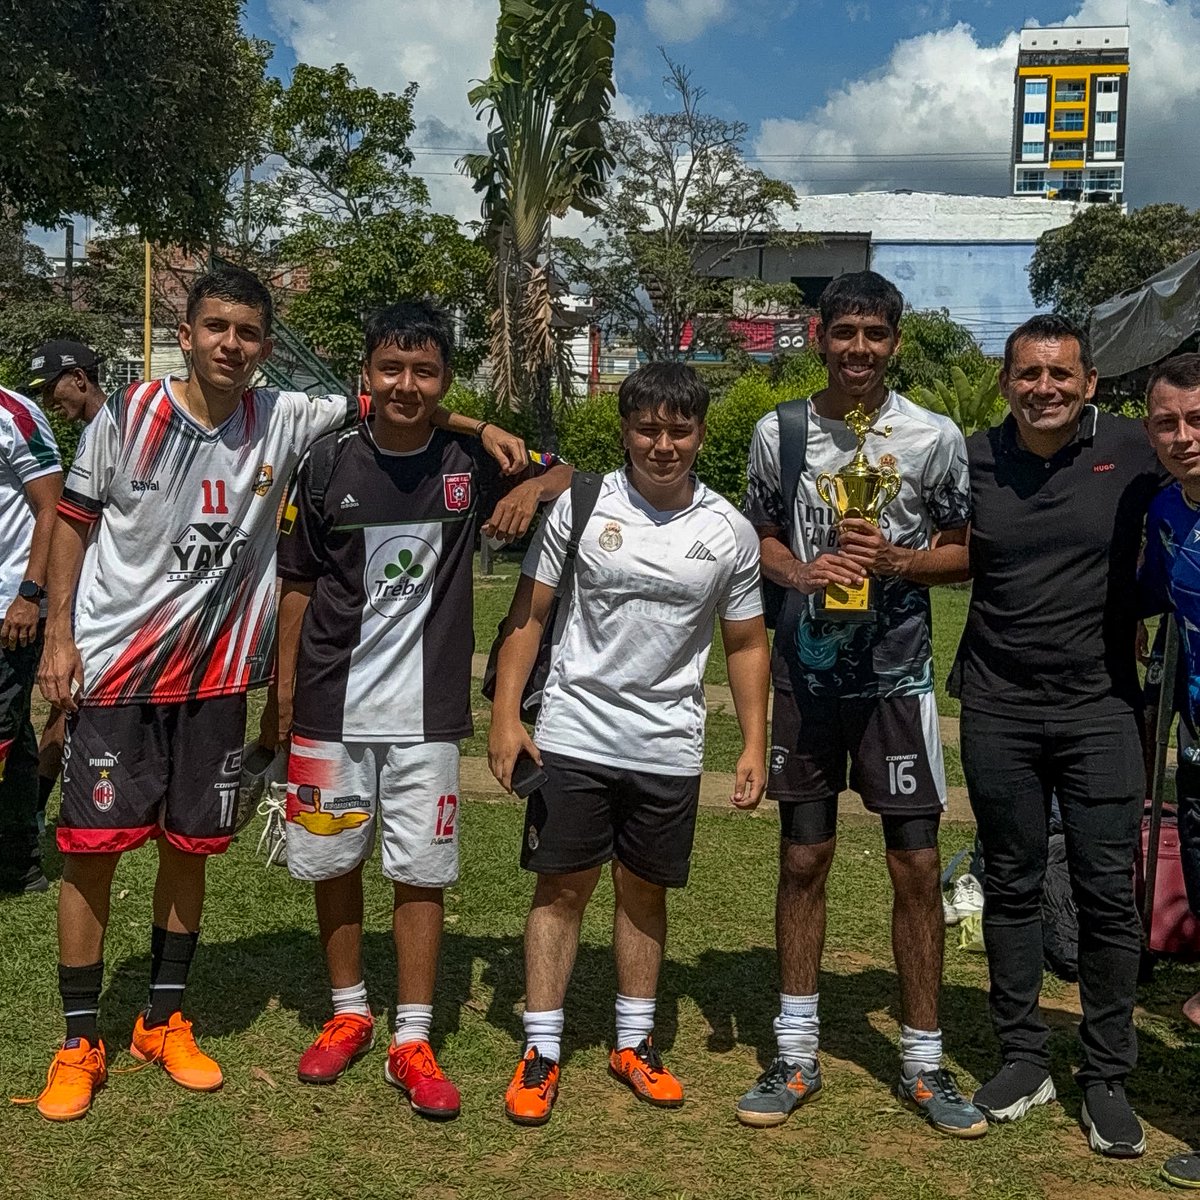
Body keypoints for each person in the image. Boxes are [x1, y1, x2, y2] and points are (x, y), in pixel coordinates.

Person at [31, 265, 525, 1123]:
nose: (232, 344)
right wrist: (59, 635)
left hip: (217, 675)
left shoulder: (288, 417)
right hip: (115, 670)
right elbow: (72, 523)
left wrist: (481, 425)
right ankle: (79, 1039)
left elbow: (401, 399)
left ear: (264, 347)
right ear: (186, 335)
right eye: (216, 327)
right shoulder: (128, 413)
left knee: (189, 849)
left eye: (249, 332)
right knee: (92, 850)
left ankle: (162, 1021)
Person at [273, 301, 570, 1119]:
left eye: (426, 372)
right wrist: (284, 691)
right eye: (392, 369)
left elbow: (569, 473)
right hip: (329, 706)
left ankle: (412, 1035)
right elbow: (296, 583)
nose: (407, 385)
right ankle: (348, 1013)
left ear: (446, 379)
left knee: (420, 870)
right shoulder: (326, 461)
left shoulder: (470, 458)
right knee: (333, 861)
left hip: (427, 714)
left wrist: (527, 484)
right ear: (367, 374)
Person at [737, 271, 984, 1138]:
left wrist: (898, 563)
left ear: (896, 342)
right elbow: (758, 536)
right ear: (819, 336)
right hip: (808, 679)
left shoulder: (935, 436)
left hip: (896, 680)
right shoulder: (780, 431)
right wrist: (801, 573)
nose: (859, 349)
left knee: (916, 866)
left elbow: (964, 550)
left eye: (875, 334)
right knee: (804, 858)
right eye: (844, 332)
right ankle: (795, 1051)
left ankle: (923, 1060)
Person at [489, 361, 769, 1126]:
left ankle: (635, 1043)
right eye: (648, 429)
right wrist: (507, 718)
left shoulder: (729, 529)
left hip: (668, 745)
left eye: (679, 430)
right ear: (625, 432)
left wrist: (753, 743)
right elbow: (529, 617)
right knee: (561, 890)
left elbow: (746, 643)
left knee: (644, 892)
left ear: (701, 434)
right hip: (574, 735)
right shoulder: (583, 506)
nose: (663, 445)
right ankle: (541, 1050)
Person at [949, 313, 1164, 1158]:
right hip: (998, 703)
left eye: (1061, 375)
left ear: (1090, 384)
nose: (1045, 389)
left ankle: (1106, 1073)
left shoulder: (1137, 449)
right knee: (1011, 882)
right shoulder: (972, 457)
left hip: (1101, 707)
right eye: (1029, 374)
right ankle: (1022, 1057)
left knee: (1107, 893)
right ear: (1007, 382)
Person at [1136, 352, 1200, 1188]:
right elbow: (1147, 594)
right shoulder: (1164, 511)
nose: (1184, 437)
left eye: (1198, 420)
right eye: (1167, 423)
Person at [27, 341, 108, 832]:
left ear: (80, 378)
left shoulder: (118, 428)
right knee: (65, 700)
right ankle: (38, 809)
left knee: (70, 701)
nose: (47, 401)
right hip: (84, 591)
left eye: (51, 389)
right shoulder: (92, 434)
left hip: (108, 601)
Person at [0, 378, 62, 893]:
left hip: (10, 606)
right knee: (16, 734)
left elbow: (52, 506)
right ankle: (20, 863)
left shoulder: (13, 412)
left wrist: (29, 593)